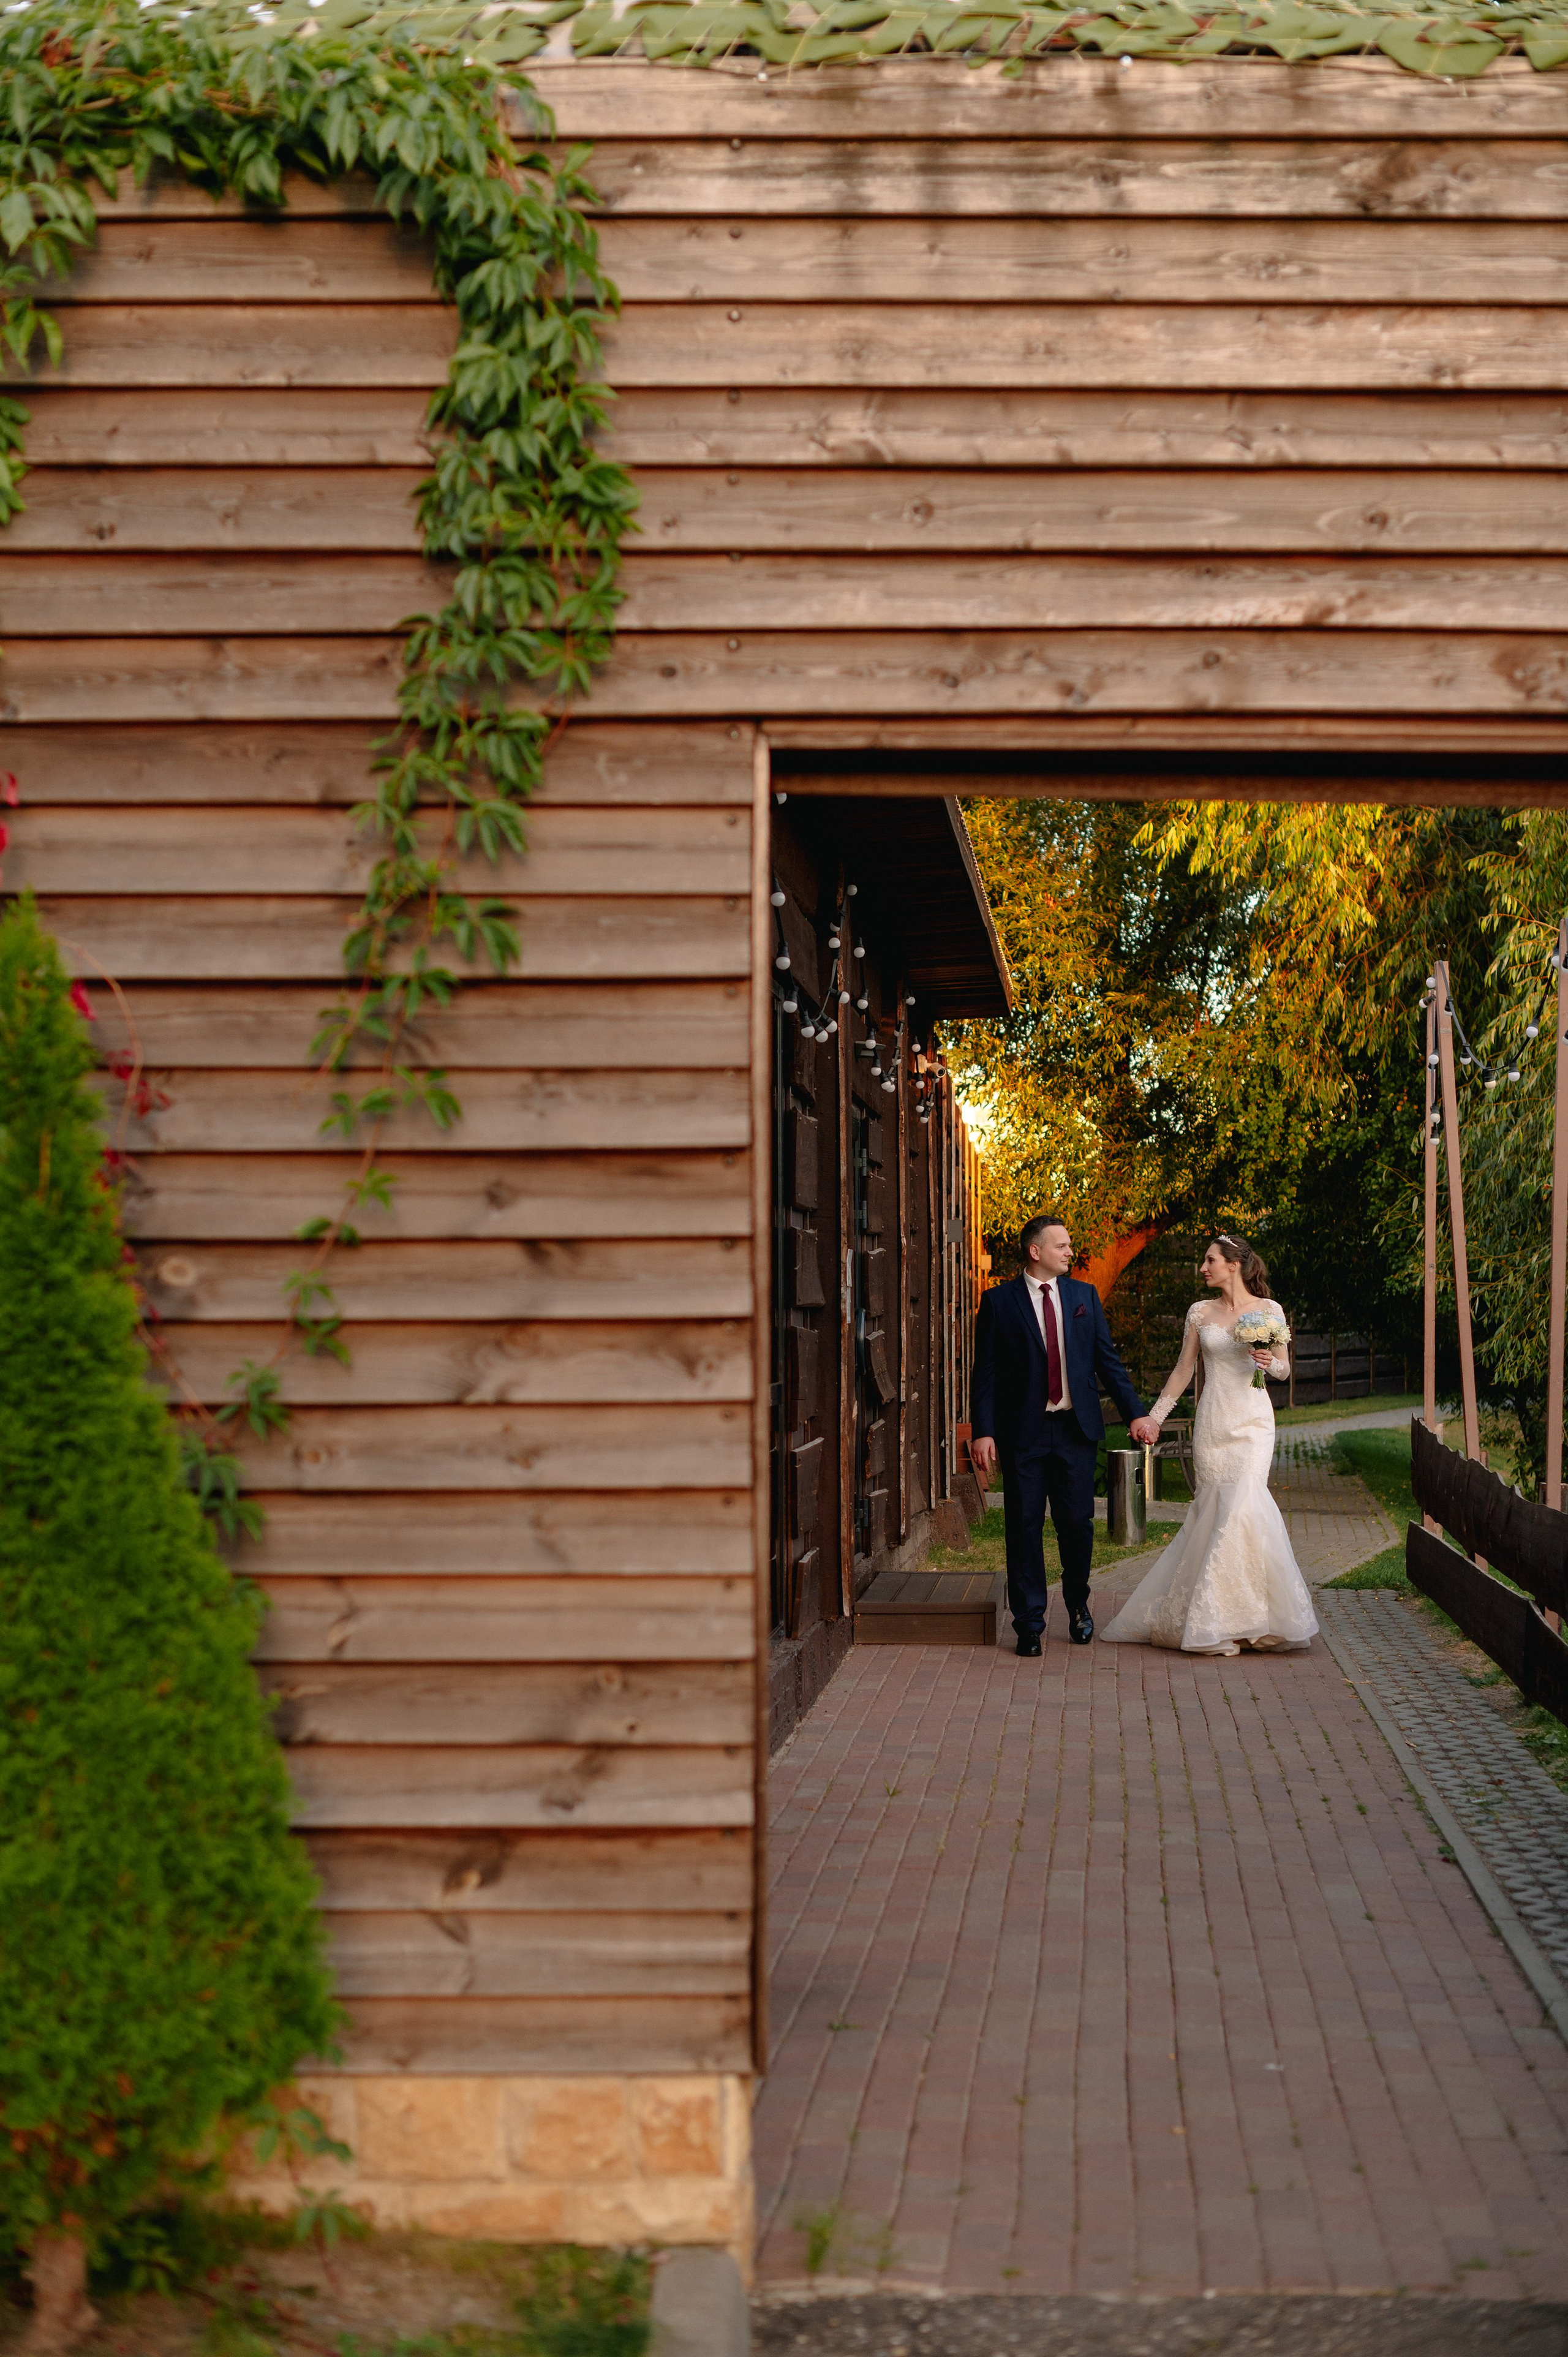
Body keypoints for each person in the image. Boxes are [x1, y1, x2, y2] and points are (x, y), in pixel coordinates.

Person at [1101, 1234, 1318, 1657]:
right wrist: (1154, 1419)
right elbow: (1184, 1371)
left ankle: (1252, 1619)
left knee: (1245, 1507)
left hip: (1254, 1424)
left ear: (1233, 1265)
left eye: (1210, 1260)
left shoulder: (1269, 1311)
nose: (1203, 1267)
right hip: (1214, 1422)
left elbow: (1284, 1371)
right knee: (1216, 1513)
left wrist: (1268, 1362)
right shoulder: (1200, 1313)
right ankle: (1219, 1618)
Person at [970, 1213, 1149, 1658]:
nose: (1070, 1251)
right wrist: (983, 1431)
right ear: (1036, 1252)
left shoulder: (1083, 1296)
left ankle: (1078, 1606)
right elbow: (985, 1374)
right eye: (1062, 1246)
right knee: (1024, 1526)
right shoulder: (998, 1303)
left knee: (1076, 1526)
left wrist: (1137, 1415)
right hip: (1023, 1435)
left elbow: (1108, 1363)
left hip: (1076, 1430)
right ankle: (1029, 1624)